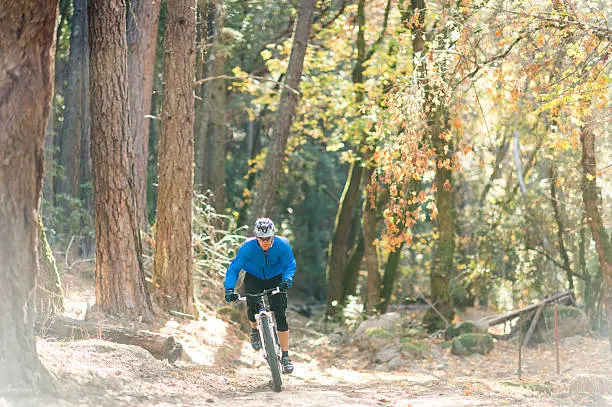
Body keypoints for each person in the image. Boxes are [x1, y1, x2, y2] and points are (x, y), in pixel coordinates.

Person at [223, 217, 296, 374]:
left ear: (273, 236)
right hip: (254, 277)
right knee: (252, 306)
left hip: (276, 277)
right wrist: (229, 289)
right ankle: (255, 331)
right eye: (261, 239)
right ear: (256, 237)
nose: (264, 242)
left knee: (281, 314)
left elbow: (290, 264)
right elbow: (234, 268)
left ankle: (285, 356)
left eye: (267, 238)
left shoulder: (282, 245)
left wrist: (287, 280)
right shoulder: (248, 247)